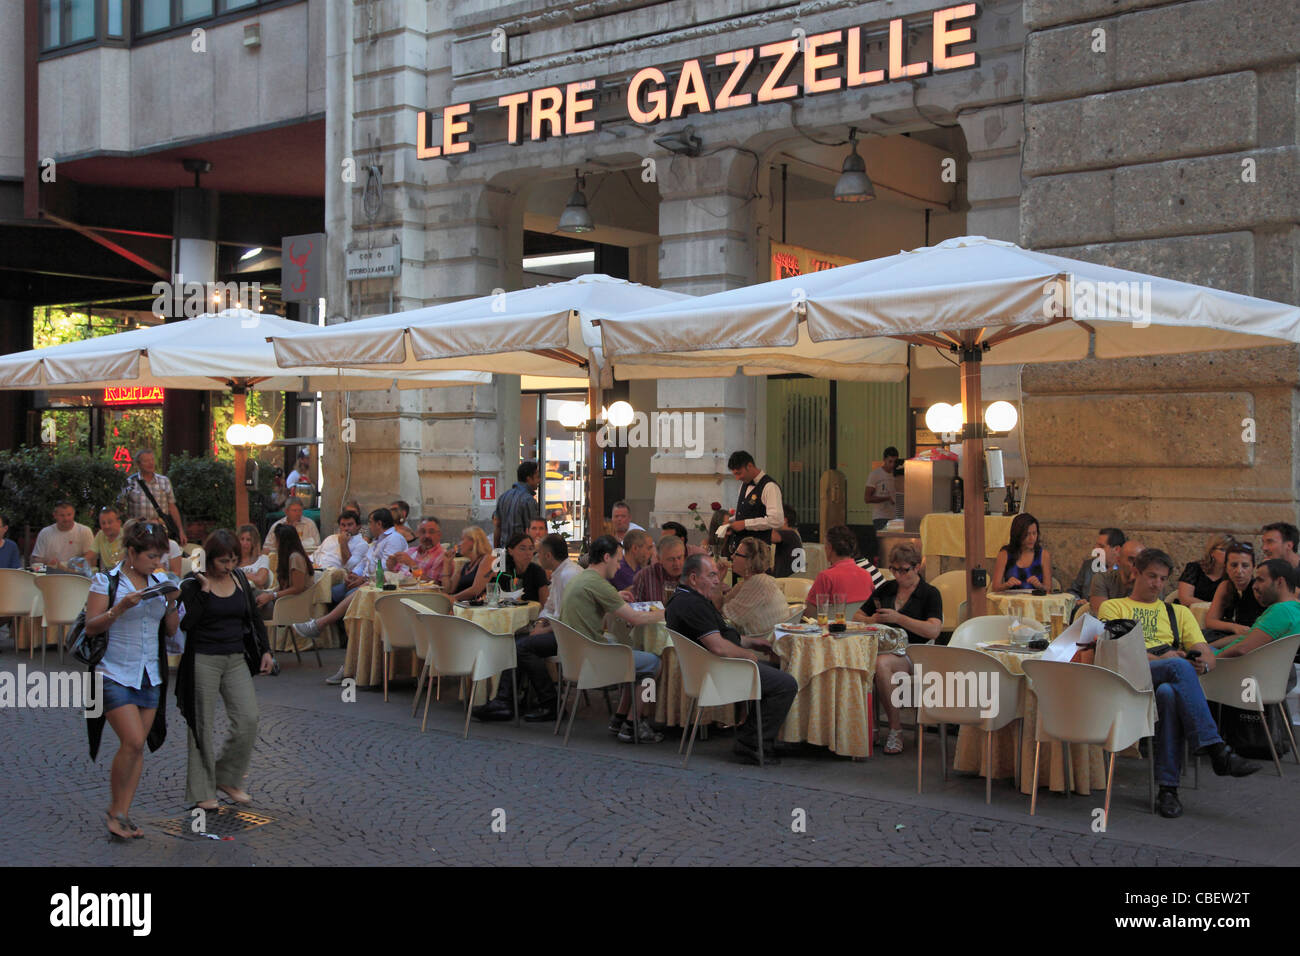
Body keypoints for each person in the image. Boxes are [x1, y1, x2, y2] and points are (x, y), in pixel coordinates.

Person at [1098, 548, 1259, 818]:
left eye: (1162, 579)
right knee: (1176, 665)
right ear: (1135, 573)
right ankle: (1215, 747)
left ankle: (1168, 791)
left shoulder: (1178, 614)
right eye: (1151, 576)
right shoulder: (1114, 607)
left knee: (1170, 693)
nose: (1157, 584)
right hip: (1128, 679)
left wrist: (1202, 662)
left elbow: (1208, 655)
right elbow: (1115, 651)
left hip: (1166, 677)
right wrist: (1165, 657)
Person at [474, 535, 664, 736]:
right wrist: (666, 612)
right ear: (607, 558)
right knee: (653, 662)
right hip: (593, 658)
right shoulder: (596, 583)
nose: (619, 567)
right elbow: (635, 618)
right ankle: (638, 721)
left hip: (576, 655)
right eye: (618, 560)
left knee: (637, 660)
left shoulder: (582, 578)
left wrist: (614, 598)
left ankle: (622, 718)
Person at [82, 521, 179, 840]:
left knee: (136, 749)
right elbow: (91, 627)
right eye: (151, 556)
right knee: (134, 740)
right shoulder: (106, 581)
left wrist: (172, 600)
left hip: (149, 672)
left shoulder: (159, 579)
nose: (157, 563)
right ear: (132, 553)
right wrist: (120, 607)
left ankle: (122, 812)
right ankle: (114, 809)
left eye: (160, 557)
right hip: (111, 671)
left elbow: (169, 629)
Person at [175, 529, 274, 810]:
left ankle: (227, 777)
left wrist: (265, 650)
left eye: (233, 560)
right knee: (201, 724)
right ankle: (202, 790)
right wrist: (205, 592)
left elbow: (253, 617)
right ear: (210, 559)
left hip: (235, 657)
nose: (229, 567)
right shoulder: (193, 583)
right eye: (223, 562)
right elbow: (186, 623)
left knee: (248, 718)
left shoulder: (240, 579)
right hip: (203, 657)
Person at [667, 553, 797, 764]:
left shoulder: (685, 598)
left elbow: (721, 637)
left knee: (776, 671)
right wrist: (748, 655)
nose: (718, 581)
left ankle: (756, 738)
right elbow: (718, 646)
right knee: (786, 684)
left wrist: (752, 642)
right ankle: (752, 742)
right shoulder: (692, 604)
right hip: (718, 673)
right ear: (693, 578)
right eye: (711, 576)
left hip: (712, 669)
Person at [294, 509, 409, 684]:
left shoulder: (394, 540)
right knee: (333, 593)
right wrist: (354, 574)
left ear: (378, 524)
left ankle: (322, 626)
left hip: (381, 587)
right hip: (367, 582)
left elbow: (386, 568)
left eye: (370, 523)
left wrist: (362, 578)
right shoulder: (377, 541)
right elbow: (364, 562)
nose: (369, 527)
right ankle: (332, 632)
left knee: (353, 597)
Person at [474, 535, 579, 718]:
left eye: (536, 551)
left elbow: (565, 619)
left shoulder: (568, 575)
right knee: (515, 642)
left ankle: (549, 703)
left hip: (572, 635)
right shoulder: (560, 573)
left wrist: (543, 629)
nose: (533, 555)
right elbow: (550, 607)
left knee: (521, 647)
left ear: (547, 555)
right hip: (560, 630)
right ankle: (508, 700)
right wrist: (539, 624)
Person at [859, 542, 943, 755]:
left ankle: (895, 729)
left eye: (904, 570)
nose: (898, 575)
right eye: (894, 569)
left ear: (917, 568)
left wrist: (899, 618)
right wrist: (872, 618)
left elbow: (933, 630)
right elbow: (857, 616)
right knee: (865, 661)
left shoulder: (929, 593)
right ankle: (868, 726)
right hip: (886, 649)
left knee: (881, 663)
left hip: (917, 653)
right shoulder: (887, 588)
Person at [1217, 558, 1300, 658]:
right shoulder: (1294, 609)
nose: (1254, 586)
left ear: (1279, 582)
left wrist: (1209, 661)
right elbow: (1246, 638)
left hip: (1223, 668)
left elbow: (1242, 649)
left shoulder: (1282, 611)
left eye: (1260, 580)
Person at [720, 539, 789, 641]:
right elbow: (721, 605)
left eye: (737, 554)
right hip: (763, 642)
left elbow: (724, 616)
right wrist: (718, 581)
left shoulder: (758, 583)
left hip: (763, 647)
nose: (732, 557)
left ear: (749, 561)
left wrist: (716, 580)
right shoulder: (749, 582)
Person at [803, 525, 874, 618]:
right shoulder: (866, 575)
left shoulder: (826, 577)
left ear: (830, 547)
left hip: (832, 629)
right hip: (860, 629)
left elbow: (809, 614)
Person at [118, 449, 186, 546]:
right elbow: (120, 506)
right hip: (138, 531)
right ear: (138, 464)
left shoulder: (164, 481)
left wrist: (180, 530)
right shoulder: (130, 482)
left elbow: (172, 507)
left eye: (152, 460)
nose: (150, 463)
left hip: (160, 529)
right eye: (146, 461)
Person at [724, 450, 783, 558]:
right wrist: (731, 522)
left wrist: (744, 524)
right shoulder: (743, 485)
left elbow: (777, 520)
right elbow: (746, 513)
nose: (737, 478)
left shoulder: (770, 487)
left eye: (739, 473)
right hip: (740, 550)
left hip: (758, 553)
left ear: (749, 466)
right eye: (734, 474)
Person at [1204, 542, 1263, 642]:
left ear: (1253, 568)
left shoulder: (1259, 588)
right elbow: (1210, 621)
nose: (1239, 571)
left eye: (1245, 566)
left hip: (1251, 638)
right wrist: (1234, 627)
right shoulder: (1225, 586)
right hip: (1231, 633)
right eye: (1234, 565)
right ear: (1226, 567)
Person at [254, 524, 312, 613]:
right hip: (285, 601)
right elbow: (284, 586)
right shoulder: (288, 557)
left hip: (294, 604)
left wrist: (272, 596)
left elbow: (298, 588)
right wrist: (269, 593)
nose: (274, 543)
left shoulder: (295, 557)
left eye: (276, 540)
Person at [992, 512, 1052, 592]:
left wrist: (1039, 585)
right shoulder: (1005, 554)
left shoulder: (1043, 555)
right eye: (1027, 534)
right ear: (1018, 535)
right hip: (1011, 602)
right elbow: (995, 587)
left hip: (1035, 602)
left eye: (1034, 533)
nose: (1032, 538)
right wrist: (1006, 585)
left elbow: (1048, 589)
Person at [1066, 528, 1124, 605]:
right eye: (1096, 545)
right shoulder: (1088, 566)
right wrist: (1077, 600)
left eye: (1101, 546)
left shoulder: (1125, 571)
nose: (1095, 549)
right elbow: (1073, 591)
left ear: (1116, 549)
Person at [32, 501, 95, 571]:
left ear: (74, 514)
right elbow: (36, 560)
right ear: (55, 515)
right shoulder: (45, 533)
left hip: (77, 575)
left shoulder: (85, 531)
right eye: (62, 515)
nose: (66, 519)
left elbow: (91, 559)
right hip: (51, 574)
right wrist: (48, 563)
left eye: (69, 515)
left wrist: (67, 568)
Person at [490, 532, 549, 604]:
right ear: (510, 551)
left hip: (533, 614)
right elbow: (493, 597)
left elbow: (545, 604)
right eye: (522, 549)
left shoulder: (537, 571)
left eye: (531, 548)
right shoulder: (502, 572)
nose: (528, 553)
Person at [1089, 539, 1145, 615]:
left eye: (1141, 562)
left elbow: (1148, 617)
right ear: (1118, 561)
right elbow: (1101, 616)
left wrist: (1136, 586)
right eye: (1131, 560)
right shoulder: (1102, 579)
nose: (1136, 566)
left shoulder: (1150, 583)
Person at [493, 461, 541, 547]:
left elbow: (497, 527)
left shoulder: (503, 497)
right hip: (521, 553)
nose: (539, 481)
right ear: (529, 478)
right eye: (537, 477)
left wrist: (497, 554)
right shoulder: (528, 500)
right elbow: (532, 531)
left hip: (504, 552)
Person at [387, 515, 447, 582]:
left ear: (439, 535)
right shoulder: (410, 551)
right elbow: (398, 576)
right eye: (423, 531)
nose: (427, 535)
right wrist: (391, 566)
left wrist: (413, 565)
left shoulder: (443, 556)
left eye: (431, 532)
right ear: (418, 534)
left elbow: (434, 584)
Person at [630, 534, 687, 604]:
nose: (677, 563)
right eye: (671, 559)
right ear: (659, 559)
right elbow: (635, 608)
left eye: (679, 557)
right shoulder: (644, 576)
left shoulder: (692, 575)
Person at [446, 526, 496, 602]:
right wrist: (447, 563)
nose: (459, 544)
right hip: (460, 606)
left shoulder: (488, 559)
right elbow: (449, 589)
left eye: (462, 540)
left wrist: (451, 598)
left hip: (477, 608)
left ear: (473, 541)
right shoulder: (466, 565)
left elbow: (476, 590)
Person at [1178, 534, 1230, 605]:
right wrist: (1212, 607)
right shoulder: (1195, 568)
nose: (1228, 554)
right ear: (1212, 552)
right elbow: (1185, 599)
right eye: (1223, 550)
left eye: (1230, 551)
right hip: (1190, 612)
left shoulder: (1232, 574)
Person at [315, 509, 368, 575]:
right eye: (343, 525)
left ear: (358, 526)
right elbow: (315, 556)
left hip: (338, 576)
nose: (346, 528)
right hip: (318, 571)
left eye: (350, 525)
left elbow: (350, 566)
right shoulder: (330, 538)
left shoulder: (362, 544)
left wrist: (343, 543)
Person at [864, 446, 900, 531]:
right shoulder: (875, 474)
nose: (892, 465)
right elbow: (867, 498)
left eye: (895, 462)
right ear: (884, 460)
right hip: (880, 516)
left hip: (895, 516)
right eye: (890, 461)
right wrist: (887, 498)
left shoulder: (897, 475)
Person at [770, 505, 803, 578]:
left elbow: (771, 537)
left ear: (784, 520)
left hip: (788, 582)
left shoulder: (790, 534)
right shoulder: (793, 534)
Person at [235, 523, 271, 590]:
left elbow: (260, 580)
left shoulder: (263, 559)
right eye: (242, 539)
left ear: (253, 542)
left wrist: (238, 574)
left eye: (248, 540)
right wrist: (253, 576)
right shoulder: (232, 560)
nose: (244, 543)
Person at [92, 506, 125, 571]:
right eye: (103, 523)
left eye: (110, 522)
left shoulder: (127, 536)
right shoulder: (100, 534)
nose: (106, 526)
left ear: (119, 522)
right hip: (107, 577)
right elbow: (90, 556)